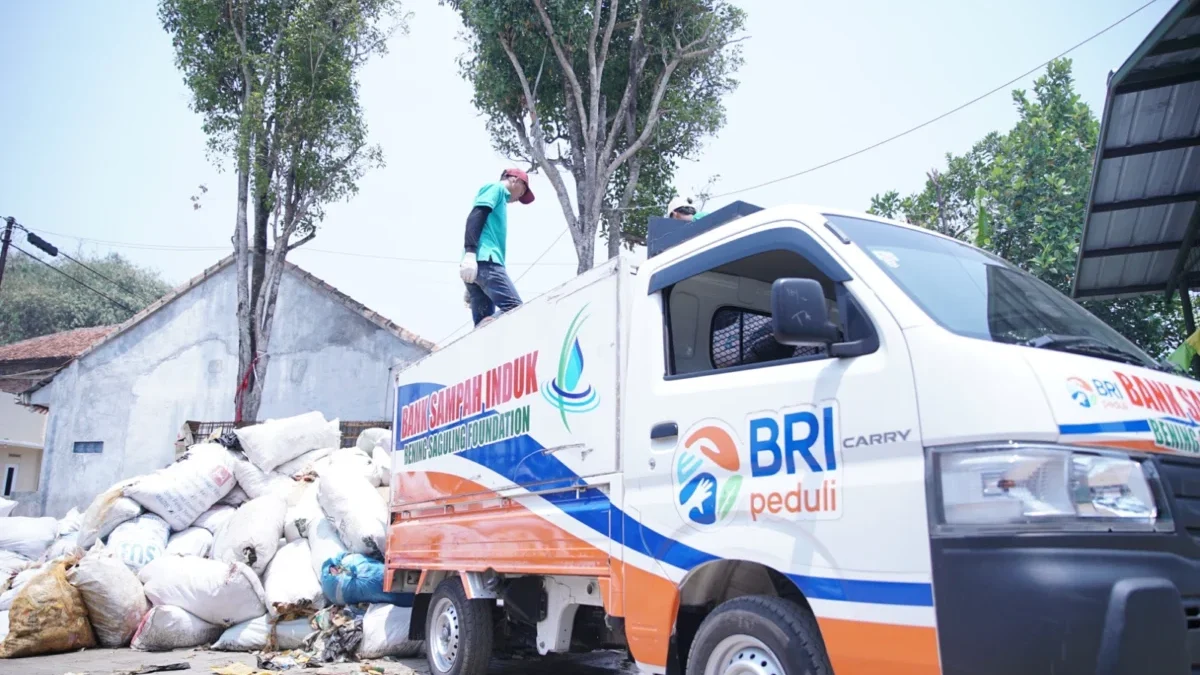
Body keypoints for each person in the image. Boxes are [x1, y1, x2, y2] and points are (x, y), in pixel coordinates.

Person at [459, 169, 535, 327]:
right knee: (515, 308)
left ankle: (482, 334)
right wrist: (471, 253)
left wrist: (476, 281)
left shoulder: (499, 199)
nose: (520, 197)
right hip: (487, 261)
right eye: (523, 190)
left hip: (478, 268)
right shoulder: (496, 189)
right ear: (515, 180)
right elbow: (476, 216)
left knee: (483, 321)